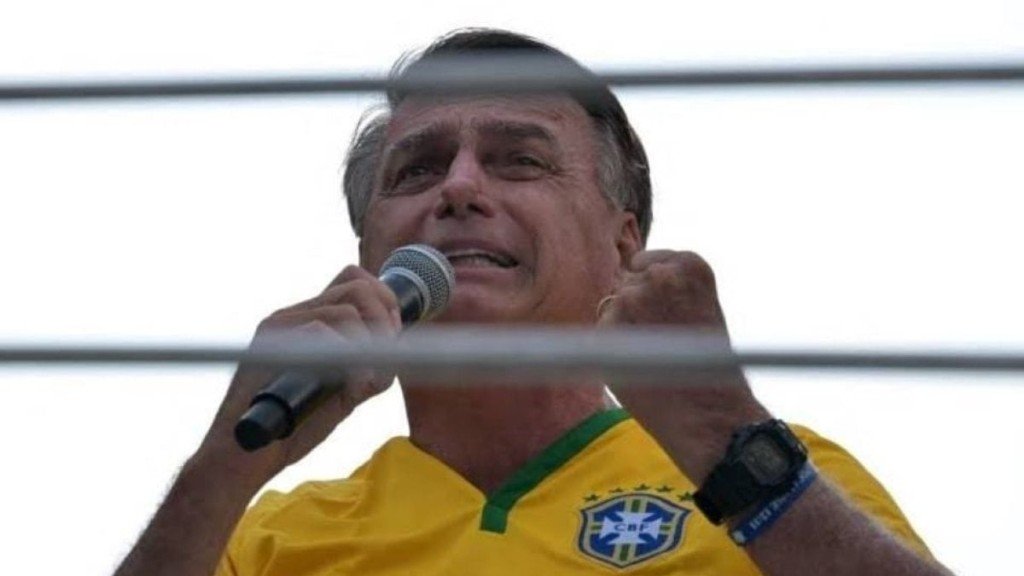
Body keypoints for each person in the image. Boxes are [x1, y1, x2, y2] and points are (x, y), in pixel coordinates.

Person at [115, 29, 951, 576]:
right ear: (368, 255)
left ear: (624, 246)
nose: (459, 188)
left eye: (520, 160)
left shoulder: (778, 479)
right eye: (417, 170)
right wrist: (223, 467)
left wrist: (733, 451)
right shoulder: (265, 538)